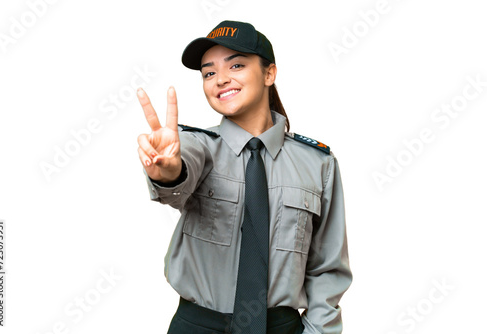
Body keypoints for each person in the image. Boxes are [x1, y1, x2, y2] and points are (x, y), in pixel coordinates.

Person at [136, 20, 352, 334]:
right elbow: (179, 176)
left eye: (236, 65)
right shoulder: (197, 146)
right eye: (209, 72)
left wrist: (317, 331)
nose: (220, 79)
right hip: (199, 326)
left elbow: (328, 268)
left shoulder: (317, 163)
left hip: (281, 327)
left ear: (269, 73)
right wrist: (168, 171)